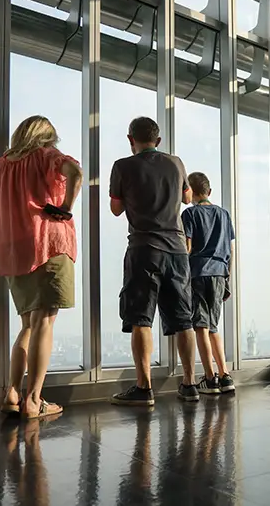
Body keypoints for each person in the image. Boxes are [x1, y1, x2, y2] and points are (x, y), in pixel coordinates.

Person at [0, 115, 83, 419]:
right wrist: (66, 207)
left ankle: (12, 393)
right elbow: (76, 173)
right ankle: (34, 400)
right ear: (46, 136)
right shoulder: (46, 155)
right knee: (44, 322)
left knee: (28, 324)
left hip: (14, 249)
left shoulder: (3, 164)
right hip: (47, 245)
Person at [109, 117, 200, 406]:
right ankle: (189, 383)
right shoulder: (176, 163)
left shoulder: (123, 166)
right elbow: (187, 198)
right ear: (158, 141)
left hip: (143, 249)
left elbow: (115, 209)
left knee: (141, 319)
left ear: (130, 139)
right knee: (184, 320)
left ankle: (144, 387)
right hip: (176, 250)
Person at [181, 172, 236, 395]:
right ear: (209, 192)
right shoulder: (224, 214)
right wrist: (227, 279)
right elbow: (231, 249)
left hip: (198, 273)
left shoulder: (189, 215)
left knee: (200, 326)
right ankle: (225, 375)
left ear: (189, 192)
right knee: (213, 326)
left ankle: (210, 378)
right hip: (220, 274)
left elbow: (187, 248)